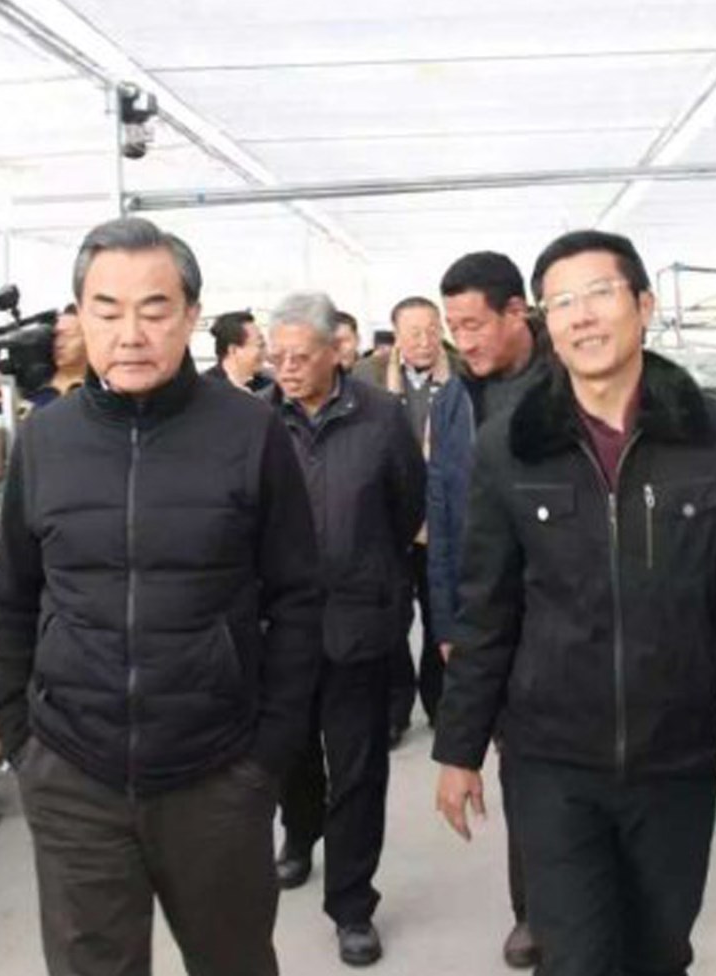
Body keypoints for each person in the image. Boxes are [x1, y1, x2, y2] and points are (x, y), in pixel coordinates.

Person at [433, 230, 716, 976]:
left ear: (644, 305)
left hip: (676, 755)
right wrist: (459, 748)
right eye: (561, 303)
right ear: (546, 322)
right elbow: (488, 611)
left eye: (599, 294)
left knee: (659, 951)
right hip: (550, 756)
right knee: (576, 956)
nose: (581, 316)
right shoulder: (510, 447)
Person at [0, 217, 322, 976]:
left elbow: (298, 598)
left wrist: (267, 754)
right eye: (107, 310)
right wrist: (21, 740)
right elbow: (12, 599)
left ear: (191, 316)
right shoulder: (46, 440)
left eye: (154, 309)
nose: (130, 333)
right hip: (73, 772)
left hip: (216, 772)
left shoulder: (250, 432)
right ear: (80, 317)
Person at [265, 291, 426, 967]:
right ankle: (301, 832)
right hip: (281, 629)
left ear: (336, 352)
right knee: (292, 753)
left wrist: (374, 573)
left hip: (361, 621)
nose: (286, 368)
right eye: (276, 356)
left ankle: (353, 904)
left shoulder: (381, 417)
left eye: (299, 356)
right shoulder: (258, 422)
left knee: (359, 768)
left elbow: (408, 506)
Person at [424, 250, 549, 969]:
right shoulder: (454, 401)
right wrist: (447, 622)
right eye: (454, 327)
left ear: (516, 312)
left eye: (473, 325)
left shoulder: (567, 385)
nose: (462, 341)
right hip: (490, 614)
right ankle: (531, 911)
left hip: (565, 607)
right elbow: (443, 512)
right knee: (518, 766)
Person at [354, 297, 454, 743]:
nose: (425, 340)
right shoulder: (366, 378)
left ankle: (442, 704)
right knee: (392, 620)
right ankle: (394, 711)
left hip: (442, 519)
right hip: (387, 522)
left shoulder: (461, 376)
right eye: (414, 332)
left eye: (433, 330)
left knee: (440, 615)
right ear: (396, 336)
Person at [204, 308, 272, 393]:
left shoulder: (268, 387)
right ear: (233, 350)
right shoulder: (205, 389)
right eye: (260, 345)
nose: (266, 352)